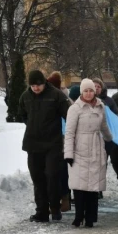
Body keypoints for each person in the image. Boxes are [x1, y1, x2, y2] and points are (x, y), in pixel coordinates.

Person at [18, 70, 71, 223]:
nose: (36, 88)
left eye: (38, 85)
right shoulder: (25, 96)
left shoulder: (56, 95)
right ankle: (41, 211)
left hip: (53, 144)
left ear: (44, 83)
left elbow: (68, 115)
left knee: (52, 176)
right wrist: (33, 126)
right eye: (33, 86)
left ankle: (55, 208)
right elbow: (23, 114)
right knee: (37, 178)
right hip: (33, 143)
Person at [64, 79, 113, 228]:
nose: (89, 93)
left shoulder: (100, 106)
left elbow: (104, 126)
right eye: (86, 90)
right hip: (80, 149)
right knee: (79, 186)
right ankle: (79, 216)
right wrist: (68, 153)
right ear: (81, 92)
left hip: (96, 148)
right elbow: (69, 132)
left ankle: (91, 217)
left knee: (93, 187)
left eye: (91, 90)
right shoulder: (75, 109)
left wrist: (110, 139)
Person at [47, 71, 72, 212]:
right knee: (58, 173)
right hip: (55, 141)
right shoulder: (62, 98)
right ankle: (62, 200)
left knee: (60, 173)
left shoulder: (62, 99)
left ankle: (64, 200)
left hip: (61, 141)